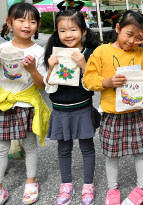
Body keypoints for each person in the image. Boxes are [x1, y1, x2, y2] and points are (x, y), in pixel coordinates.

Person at [83, 11, 143, 205]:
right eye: (128, 34)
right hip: (112, 114)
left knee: (141, 152)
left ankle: (141, 187)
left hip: (138, 112)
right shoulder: (102, 51)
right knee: (111, 154)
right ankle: (112, 188)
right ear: (117, 29)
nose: (131, 41)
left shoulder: (141, 52)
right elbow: (88, 79)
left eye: (137, 36)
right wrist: (106, 81)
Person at [0, 3, 50, 205]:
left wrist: (33, 69)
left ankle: (31, 182)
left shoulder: (39, 51)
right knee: (0, 148)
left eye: (32, 21)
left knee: (30, 145)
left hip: (27, 104)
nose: (27, 25)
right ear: (9, 22)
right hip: (4, 105)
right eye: (21, 20)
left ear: (37, 26)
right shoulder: (0, 49)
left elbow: (42, 85)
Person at [44, 10, 101, 205]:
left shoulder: (90, 53)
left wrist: (84, 65)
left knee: (87, 147)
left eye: (73, 29)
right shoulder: (55, 53)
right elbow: (48, 87)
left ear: (83, 31)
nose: (68, 34)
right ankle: (66, 184)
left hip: (83, 108)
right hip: (60, 110)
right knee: (63, 149)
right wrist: (51, 68)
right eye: (62, 30)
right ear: (57, 33)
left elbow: (94, 84)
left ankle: (88, 185)